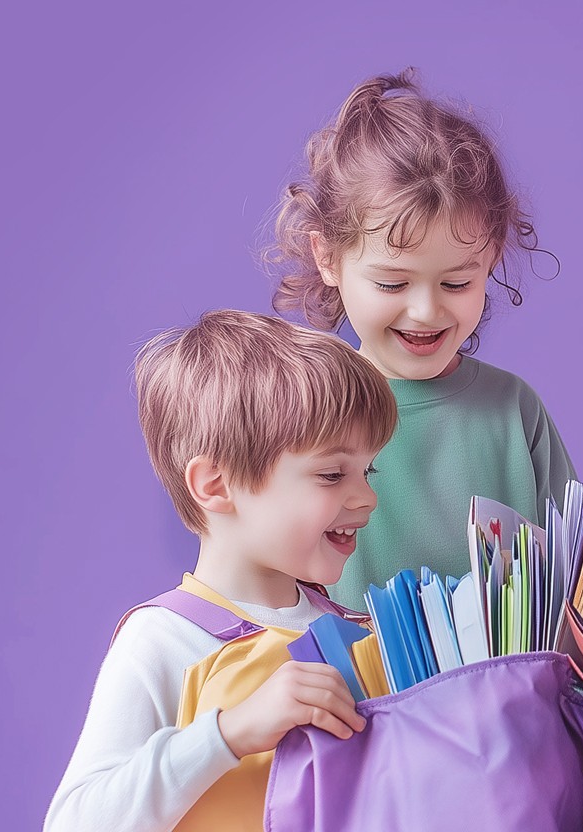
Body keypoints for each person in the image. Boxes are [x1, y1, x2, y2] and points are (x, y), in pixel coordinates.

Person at [45, 311, 394, 831]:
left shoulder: (365, 632)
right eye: (330, 473)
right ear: (215, 484)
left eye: (368, 471)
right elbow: (74, 823)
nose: (367, 498)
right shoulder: (164, 639)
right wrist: (228, 734)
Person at [269, 70, 576, 598]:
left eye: (457, 281)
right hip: (358, 682)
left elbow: (582, 575)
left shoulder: (514, 410)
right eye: (392, 282)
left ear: (491, 259)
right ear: (328, 258)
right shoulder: (299, 413)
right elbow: (262, 587)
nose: (426, 310)